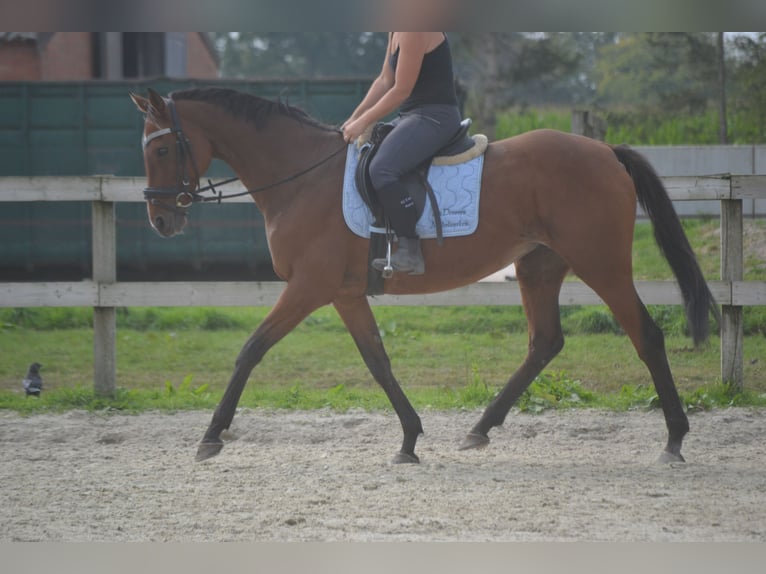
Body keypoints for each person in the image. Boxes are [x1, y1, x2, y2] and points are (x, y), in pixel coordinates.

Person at [342, 32, 462, 275]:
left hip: (434, 116)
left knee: (382, 169)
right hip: (412, 116)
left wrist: (364, 121)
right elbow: (385, 80)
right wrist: (353, 119)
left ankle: (410, 251)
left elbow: (401, 90)